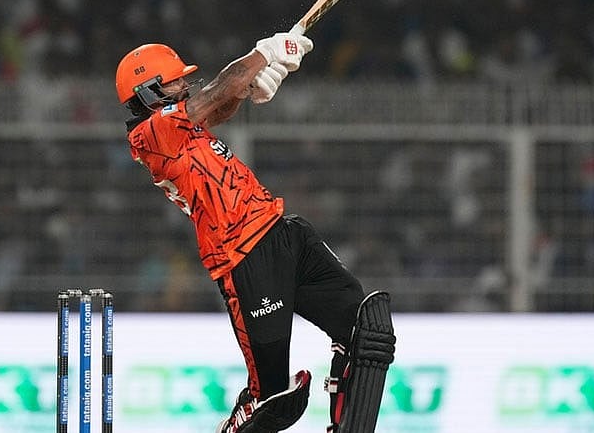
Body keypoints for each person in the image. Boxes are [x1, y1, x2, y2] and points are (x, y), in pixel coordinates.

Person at [115, 33, 396, 433]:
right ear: (147, 93)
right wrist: (261, 55)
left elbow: (218, 105)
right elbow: (212, 95)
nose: (184, 85)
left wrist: (251, 87)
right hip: (243, 257)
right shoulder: (150, 136)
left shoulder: (180, 125)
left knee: (368, 332)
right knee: (271, 398)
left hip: (283, 234)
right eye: (175, 82)